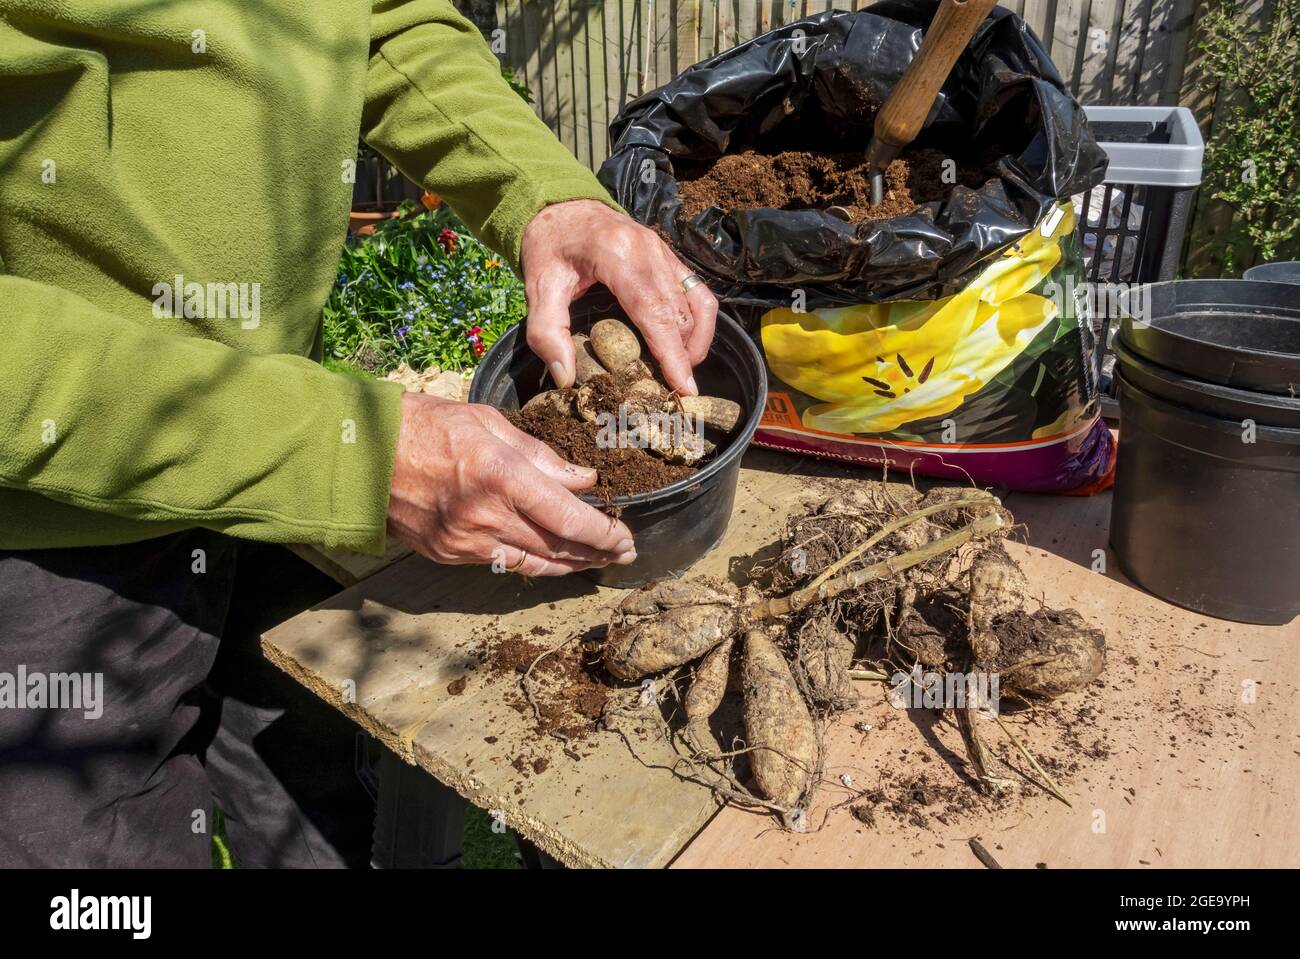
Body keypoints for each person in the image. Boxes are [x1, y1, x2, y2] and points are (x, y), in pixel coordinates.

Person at [0, 0, 717, 867]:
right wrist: (342, 454)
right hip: (53, 532)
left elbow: (383, 20)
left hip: (280, 467)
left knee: (318, 819)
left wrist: (545, 197)